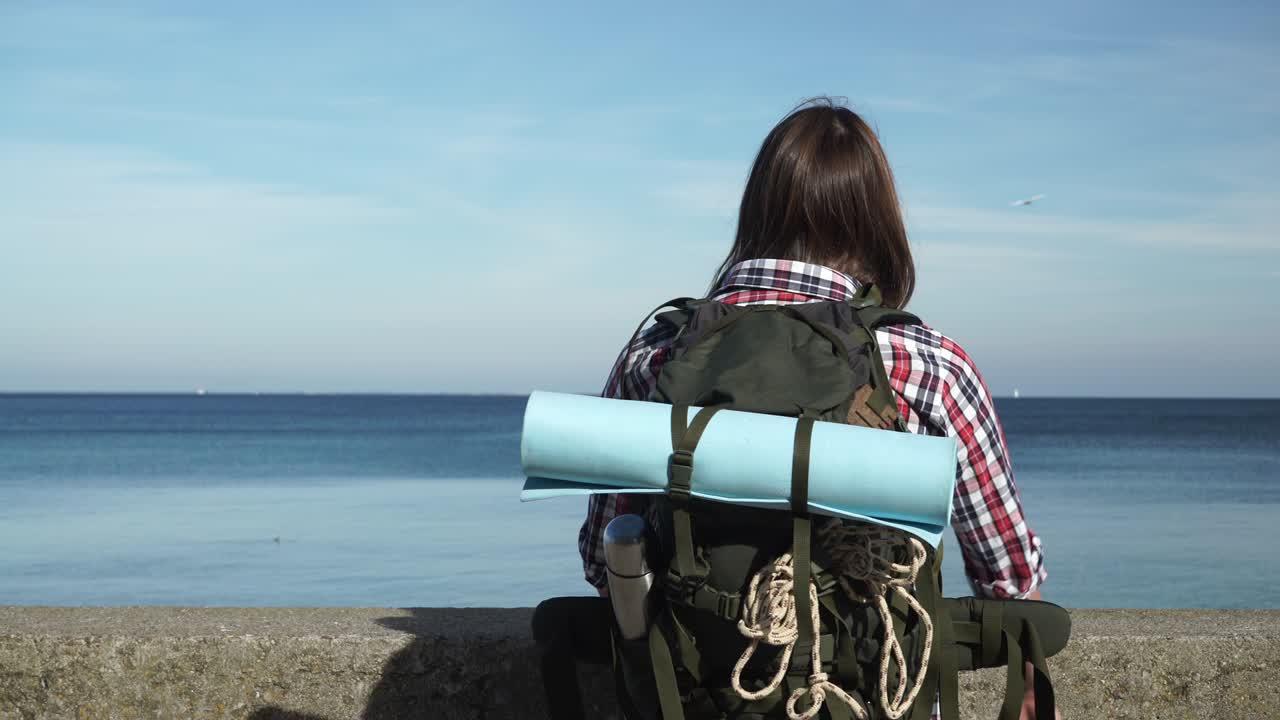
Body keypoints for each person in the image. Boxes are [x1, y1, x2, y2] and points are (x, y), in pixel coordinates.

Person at [572, 97, 1050, 719]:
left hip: (694, 700)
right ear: (877, 221)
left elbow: (602, 557)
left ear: (757, 209)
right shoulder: (930, 368)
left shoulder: (656, 355)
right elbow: (1007, 575)